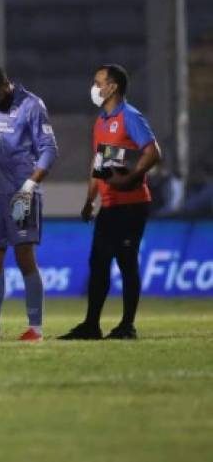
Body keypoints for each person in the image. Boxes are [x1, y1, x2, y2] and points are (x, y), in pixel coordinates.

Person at [60, 64, 160, 340]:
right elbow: (100, 163)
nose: (95, 88)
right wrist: (89, 199)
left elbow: (153, 152)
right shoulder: (102, 121)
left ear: (112, 87)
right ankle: (91, 325)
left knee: (127, 262)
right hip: (110, 204)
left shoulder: (129, 117)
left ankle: (127, 326)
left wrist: (133, 177)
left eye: (98, 82)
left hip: (132, 204)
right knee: (98, 262)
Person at [0, 67, 58, 342]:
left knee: (23, 255)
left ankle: (36, 327)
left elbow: (49, 149)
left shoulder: (32, 105)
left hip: (23, 192)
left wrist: (30, 186)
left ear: (7, 84)